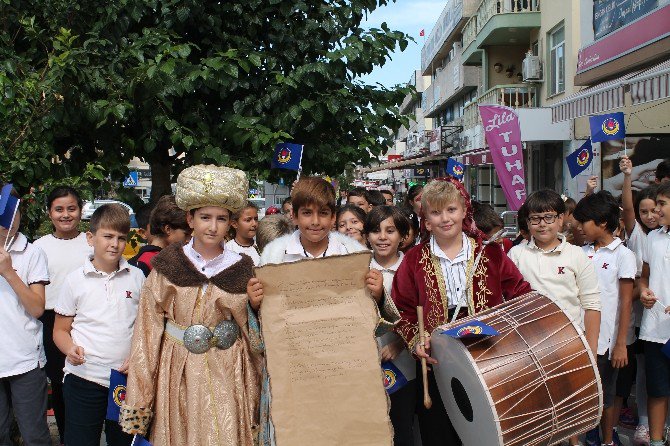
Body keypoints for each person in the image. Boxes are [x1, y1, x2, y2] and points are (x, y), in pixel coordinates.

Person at [248, 176, 398, 445]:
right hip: (297, 368)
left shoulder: (352, 252)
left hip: (344, 367)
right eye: (306, 213)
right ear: (293, 216)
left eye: (323, 213)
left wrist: (377, 294)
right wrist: (255, 303)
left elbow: (376, 321)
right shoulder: (274, 254)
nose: (315, 222)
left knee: (349, 430)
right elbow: (264, 321)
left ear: (333, 217)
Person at [119, 165, 262, 445]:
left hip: (229, 368)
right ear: (190, 218)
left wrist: (256, 309)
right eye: (205, 217)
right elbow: (146, 336)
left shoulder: (244, 268)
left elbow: (253, 333)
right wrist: (140, 399)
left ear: (230, 222)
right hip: (179, 370)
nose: (212, 226)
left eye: (221, 218)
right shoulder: (167, 267)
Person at [392, 178, 531, 446]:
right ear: (426, 220)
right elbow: (403, 310)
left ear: (465, 210)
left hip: (487, 356)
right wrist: (415, 341)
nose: (445, 219)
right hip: (438, 361)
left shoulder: (491, 253)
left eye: (451, 210)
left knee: (486, 432)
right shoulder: (414, 260)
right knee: (439, 433)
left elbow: (520, 293)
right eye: (436, 212)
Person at [53, 204, 145, 446]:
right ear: (91, 238)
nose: (114, 244)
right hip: (84, 378)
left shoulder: (137, 277)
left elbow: (146, 328)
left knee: (125, 441)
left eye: (121, 238)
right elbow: (60, 330)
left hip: (127, 381)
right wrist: (69, 349)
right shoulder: (74, 281)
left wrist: (138, 357)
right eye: (108, 236)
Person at [573, 191, 636, 446]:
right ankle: (579, 440)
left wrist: (620, 343)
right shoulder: (580, 252)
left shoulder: (623, 255)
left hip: (606, 339)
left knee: (606, 395)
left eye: (584, 221)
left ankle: (608, 439)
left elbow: (625, 303)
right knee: (581, 395)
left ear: (601, 222)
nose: (579, 227)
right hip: (580, 336)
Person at [33, 186, 92, 444]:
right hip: (51, 321)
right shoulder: (39, 247)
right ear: (49, 213)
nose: (65, 215)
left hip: (87, 319)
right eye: (59, 209)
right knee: (59, 381)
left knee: (88, 377)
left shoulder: (91, 242)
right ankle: (68, 437)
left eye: (71, 208)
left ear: (80, 211)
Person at [0, 186, 51, 446]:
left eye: (15, 210)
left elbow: (37, 308)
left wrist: (9, 272)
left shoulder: (31, 253)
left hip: (25, 361)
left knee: (34, 435)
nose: (11, 217)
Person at [364, 206, 416, 446]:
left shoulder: (413, 269)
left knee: (402, 427)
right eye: (375, 231)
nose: (382, 237)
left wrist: (401, 342)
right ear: (367, 236)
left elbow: (423, 314)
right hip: (365, 365)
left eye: (390, 230)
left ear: (403, 236)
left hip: (405, 366)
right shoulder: (359, 269)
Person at [620, 157, 660, 444]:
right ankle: (646, 422)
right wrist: (627, 176)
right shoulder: (640, 236)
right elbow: (629, 208)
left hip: (660, 317)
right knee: (647, 373)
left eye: (654, 210)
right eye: (644, 211)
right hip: (643, 318)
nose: (650, 215)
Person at [639, 182, 670, 446]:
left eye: (662, 204)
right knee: (657, 390)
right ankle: (657, 441)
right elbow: (645, 276)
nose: (656, 210)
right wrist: (643, 291)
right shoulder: (653, 237)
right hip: (656, 329)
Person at [129, 195, 191, 277]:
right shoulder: (151, 262)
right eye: (186, 234)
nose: (189, 240)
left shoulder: (140, 259)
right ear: (168, 229)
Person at [226, 201, 261, 265]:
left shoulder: (261, 247)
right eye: (248, 220)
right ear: (234, 224)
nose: (254, 224)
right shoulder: (228, 250)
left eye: (256, 219)